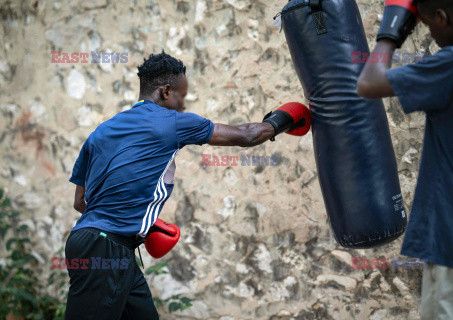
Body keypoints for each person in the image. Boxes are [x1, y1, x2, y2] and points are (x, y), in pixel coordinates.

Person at [65, 51, 309, 319]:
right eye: (182, 96)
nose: (183, 105)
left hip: (98, 243)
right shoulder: (172, 122)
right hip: (106, 248)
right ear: (167, 91)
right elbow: (248, 134)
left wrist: (139, 223)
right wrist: (288, 117)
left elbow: (81, 203)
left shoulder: (101, 132)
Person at [357, 0, 453, 318]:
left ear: (441, 17)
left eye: (427, 24)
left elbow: (368, 83)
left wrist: (391, 32)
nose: (431, 32)